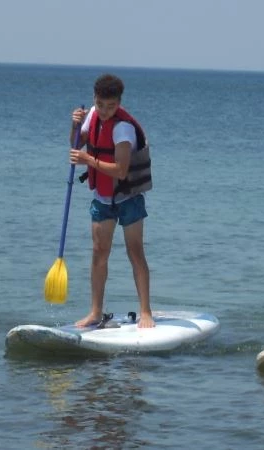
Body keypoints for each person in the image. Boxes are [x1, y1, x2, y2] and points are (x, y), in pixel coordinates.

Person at [69, 74, 154, 328]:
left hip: (129, 197)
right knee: (98, 253)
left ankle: (146, 312)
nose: (105, 111)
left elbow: (120, 170)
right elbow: (76, 143)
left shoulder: (123, 128)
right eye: (102, 105)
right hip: (102, 198)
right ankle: (95, 312)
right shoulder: (92, 114)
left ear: (119, 102)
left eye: (112, 106)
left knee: (135, 252)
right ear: (95, 99)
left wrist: (88, 161)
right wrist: (75, 126)